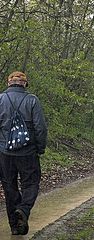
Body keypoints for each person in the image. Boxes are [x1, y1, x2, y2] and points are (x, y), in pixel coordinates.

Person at [0, 71, 47, 235]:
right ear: (25, 84)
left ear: (8, 83)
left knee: (9, 187)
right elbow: (40, 127)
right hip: (28, 153)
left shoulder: (1, 99)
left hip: (5, 153)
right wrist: (40, 148)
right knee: (31, 183)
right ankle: (24, 210)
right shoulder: (32, 100)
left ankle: (15, 227)